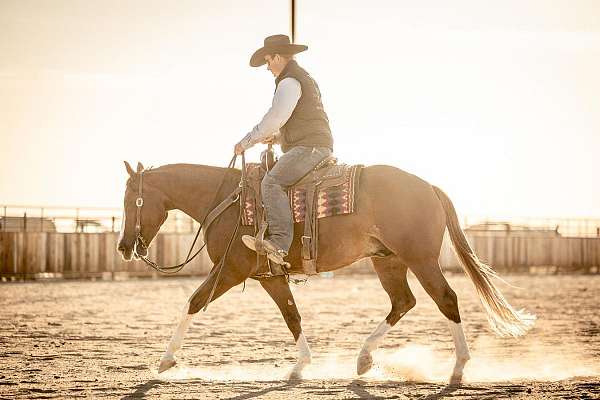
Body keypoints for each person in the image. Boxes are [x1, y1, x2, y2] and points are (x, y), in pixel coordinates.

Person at [234, 34, 334, 265]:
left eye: (268, 60)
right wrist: (279, 138)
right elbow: (302, 120)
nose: (267, 67)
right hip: (314, 143)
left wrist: (246, 141)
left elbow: (276, 116)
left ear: (278, 57)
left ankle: (279, 244)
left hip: (310, 147)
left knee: (271, 183)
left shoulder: (289, 82)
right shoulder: (302, 78)